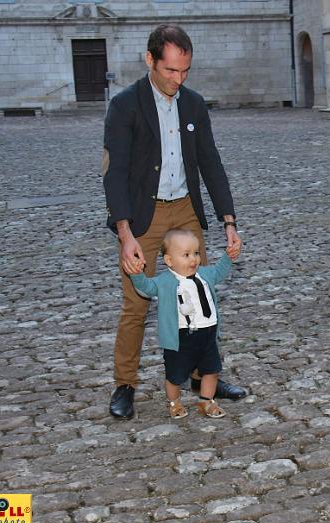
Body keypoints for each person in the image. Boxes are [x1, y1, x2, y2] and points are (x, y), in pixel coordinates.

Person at [103, 24, 246, 420]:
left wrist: (228, 221)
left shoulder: (194, 105)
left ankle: (204, 380)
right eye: (170, 71)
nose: (178, 80)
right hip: (142, 215)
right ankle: (125, 384)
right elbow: (114, 174)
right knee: (137, 304)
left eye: (185, 72)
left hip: (184, 208)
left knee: (199, 297)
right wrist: (125, 233)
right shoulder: (126, 105)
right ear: (150, 60)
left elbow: (211, 164)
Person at [130, 229, 233, 419]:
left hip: (207, 333)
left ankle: (206, 401)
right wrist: (137, 275)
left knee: (212, 370)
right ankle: (174, 402)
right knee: (175, 375)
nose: (193, 259)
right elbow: (147, 288)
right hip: (180, 338)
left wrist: (228, 256)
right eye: (186, 255)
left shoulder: (205, 274)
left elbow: (220, 271)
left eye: (196, 253)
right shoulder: (165, 281)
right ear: (169, 261)